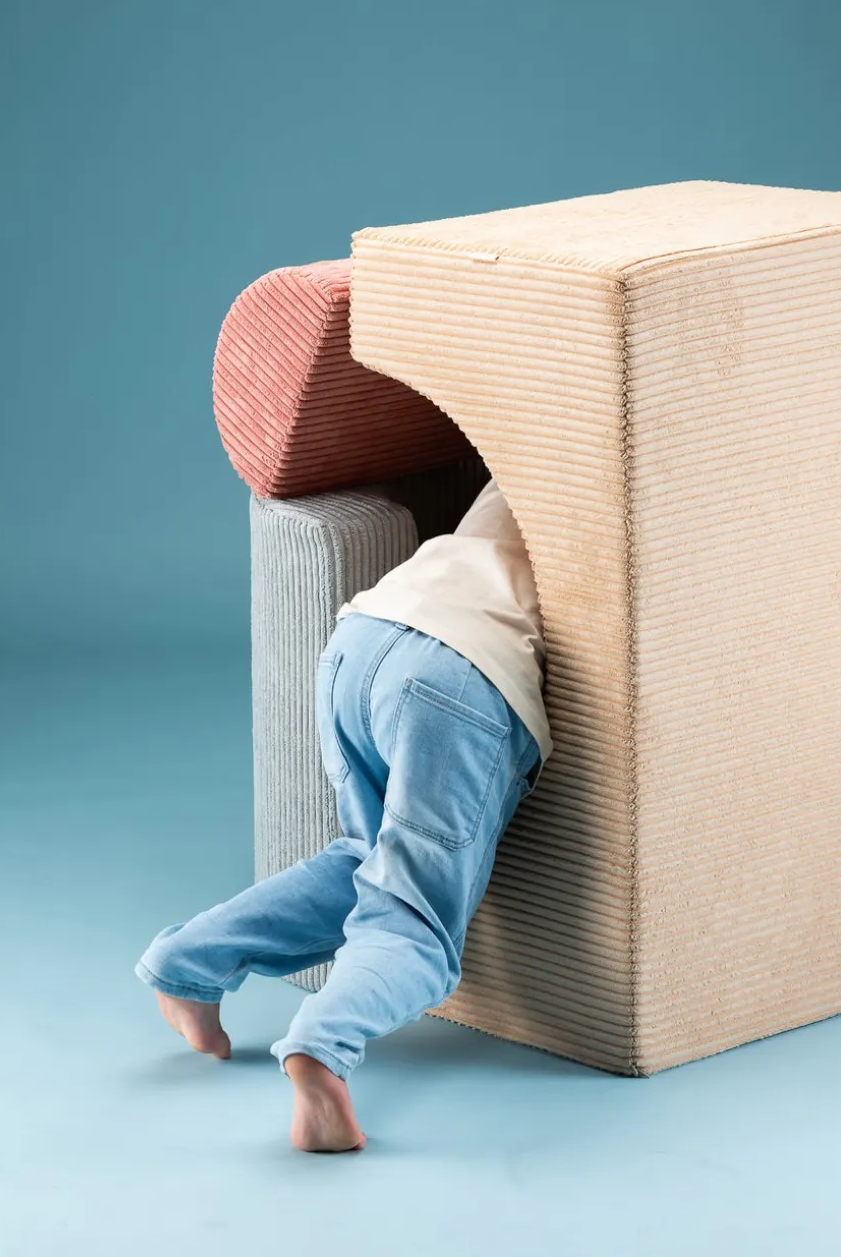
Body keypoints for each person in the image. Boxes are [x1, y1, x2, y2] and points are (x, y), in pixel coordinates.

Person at [134, 475, 550, 1152]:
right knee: (413, 919)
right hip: (460, 673)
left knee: (366, 858)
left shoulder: (528, 455)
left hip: (364, 638)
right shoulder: (645, 475)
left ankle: (188, 963)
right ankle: (323, 1047)